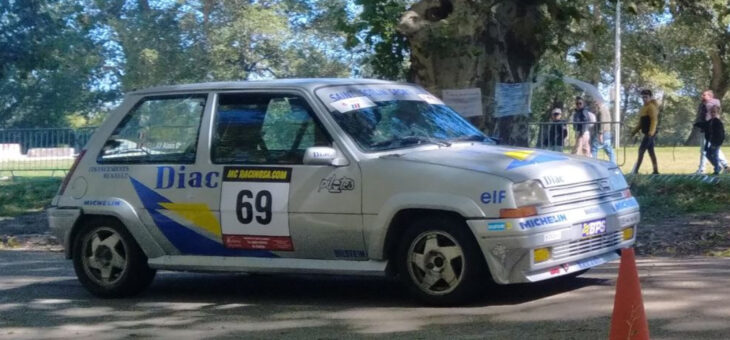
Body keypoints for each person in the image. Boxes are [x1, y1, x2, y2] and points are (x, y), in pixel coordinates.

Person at [694, 90, 729, 174]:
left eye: (704, 95)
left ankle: (702, 170)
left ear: (710, 96)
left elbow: (715, 108)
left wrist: (707, 104)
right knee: (711, 151)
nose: (702, 96)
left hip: (711, 131)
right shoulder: (704, 104)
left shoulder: (712, 103)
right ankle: (725, 166)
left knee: (706, 151)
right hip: (706, 129)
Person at [631, 89, 659, 174]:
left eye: (646, 97)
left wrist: (651, 132)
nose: (644, 99)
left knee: (641, 150)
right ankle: (655, 171)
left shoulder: (651, 107)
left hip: (650, 134)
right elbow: (641, 123)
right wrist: (634, 131)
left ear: (650, 97)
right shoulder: (643, 108)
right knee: (651, 152)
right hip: (647, 133)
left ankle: (635, 171)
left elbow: (654, 120)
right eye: (643, 97)